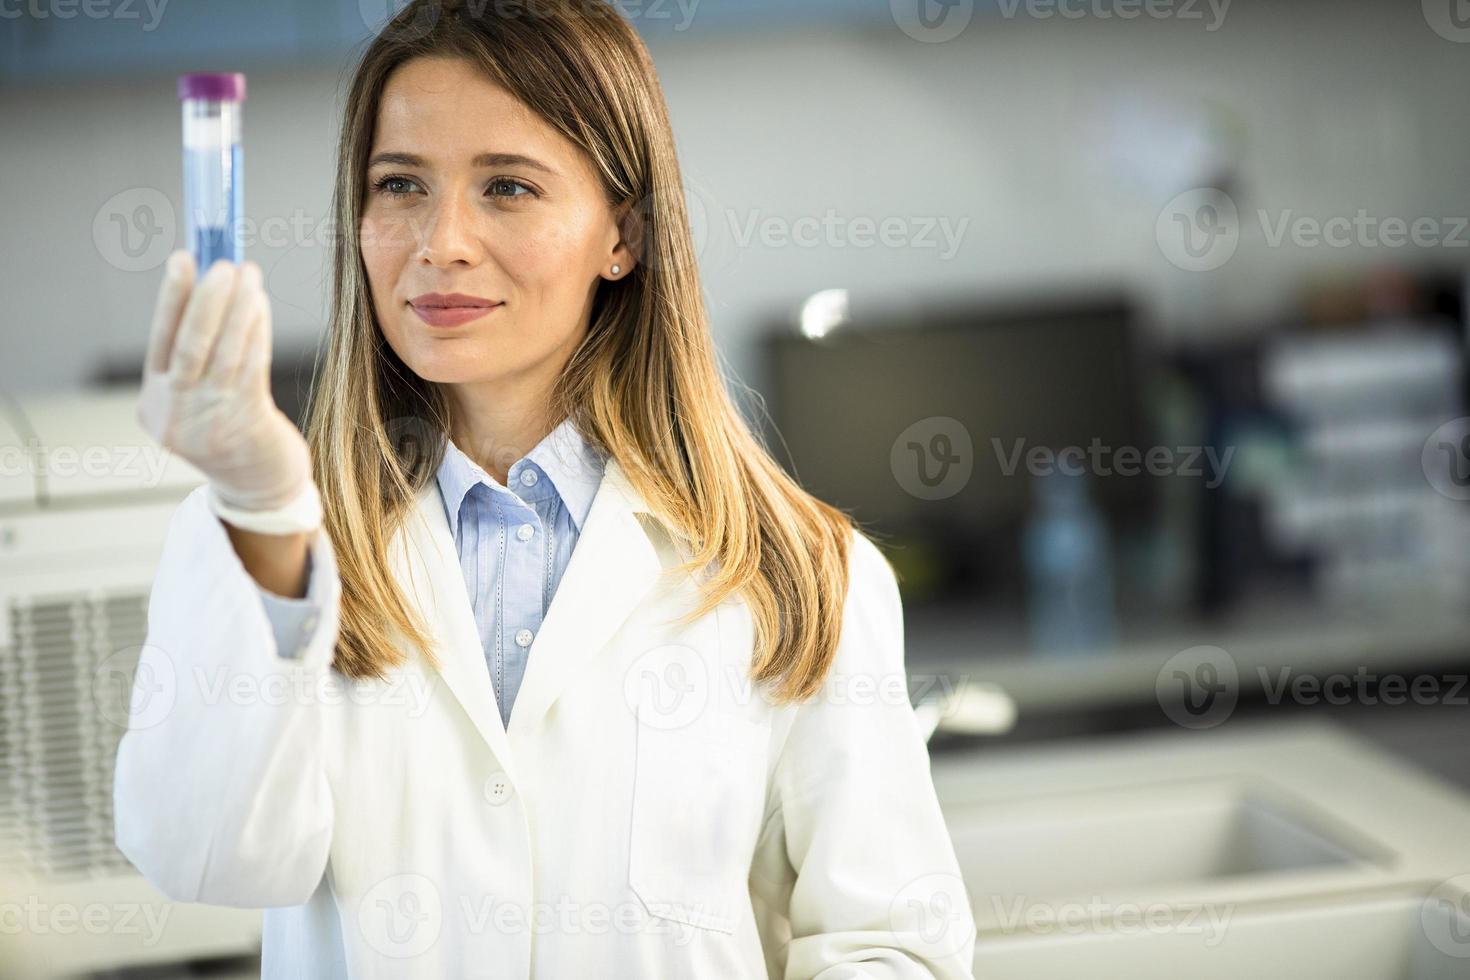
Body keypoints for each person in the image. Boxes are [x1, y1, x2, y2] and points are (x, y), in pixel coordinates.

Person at [113, 1, 975, 976]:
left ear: (625, 234)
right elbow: (204, 857)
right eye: (400, 184)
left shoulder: (802, 571)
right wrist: (261, 517)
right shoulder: (276, 546)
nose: (441, 241)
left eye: (508, 187)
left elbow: (895, 945)